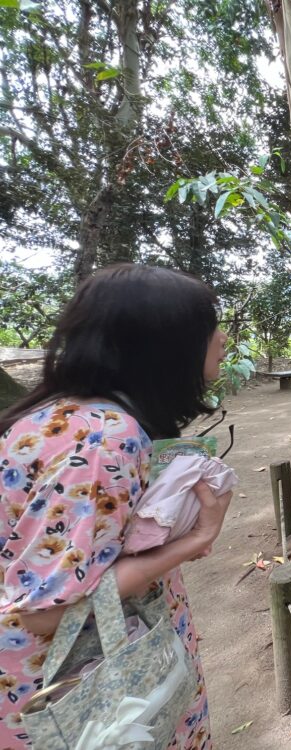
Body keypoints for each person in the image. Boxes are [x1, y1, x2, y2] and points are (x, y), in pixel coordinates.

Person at [0, 264, 233, 750]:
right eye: (209, 327)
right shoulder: (104, 443)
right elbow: (48, 613)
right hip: (89, 702)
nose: (222, 338)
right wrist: (195, 540)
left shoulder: (58, 416)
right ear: (165, 346)